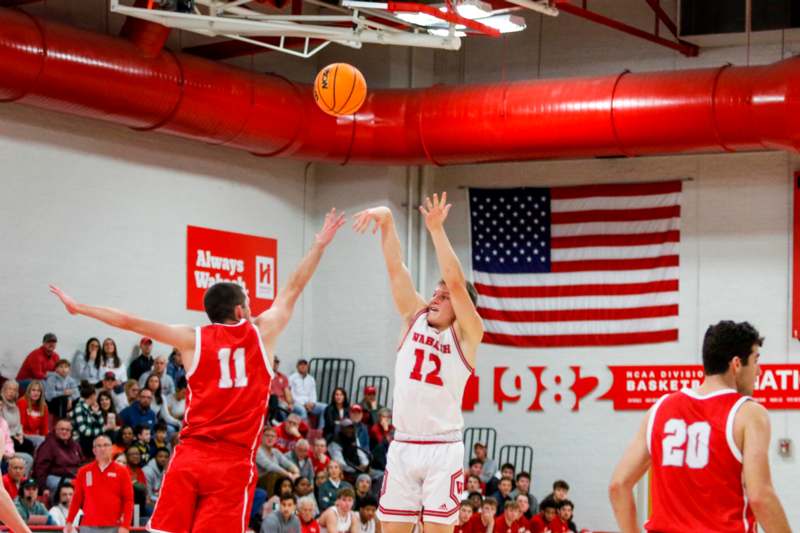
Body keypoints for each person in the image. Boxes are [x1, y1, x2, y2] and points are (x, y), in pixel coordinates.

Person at [50, 208, 344, 533]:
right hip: (232, 462)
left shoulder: (192, 339)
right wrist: (319, 245)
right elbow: (293, 288)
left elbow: (130, 321)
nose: (251, 306)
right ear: (238, 310)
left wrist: (80, 308)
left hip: (190, 457)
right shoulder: (261, 332)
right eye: (247, 301)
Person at [354, 193, 484, 532]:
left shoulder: (469, 334)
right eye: (435, 293)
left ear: (461, 308)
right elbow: (397, 268)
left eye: (444, 297)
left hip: (443, 449)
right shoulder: (414, 316)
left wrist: (437, 231)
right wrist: (386, 221)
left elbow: (456, 282)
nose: (436, 298)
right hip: (404, 444)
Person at [609, 320, 791, 533]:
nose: (759, 371)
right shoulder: (749, 413)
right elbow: (760, 496)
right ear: (736, 364)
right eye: (755, 360)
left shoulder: (659, 409)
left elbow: (618, 486)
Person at [66, 434, 134, 533]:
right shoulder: (83, 471)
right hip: (88, 526)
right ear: (94, 450)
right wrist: (69, 521)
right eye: (99, 446)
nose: (103, 449)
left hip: (114, 526)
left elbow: (128, 500)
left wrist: (126, 526)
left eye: (106, 445)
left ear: (111, 449)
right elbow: (77, 499)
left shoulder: (122, 471)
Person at [32, 419, 83, 494]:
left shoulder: (75, 445)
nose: (64, 432)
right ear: (55, 430)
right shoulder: (48, 445)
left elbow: (81, 463)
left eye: (67, 430)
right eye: (62, 429)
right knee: (73, 486)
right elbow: (40, 468)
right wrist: (43, 487)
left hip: (74, 476)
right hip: (54, 476)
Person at [0, 381, 35, 457]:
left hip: (16, 436)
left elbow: (18, 425)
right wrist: (13, 436)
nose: (12, 392)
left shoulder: (15, 407)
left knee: (29, 444)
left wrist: (20, 435)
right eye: (9, 389)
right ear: (4, 390)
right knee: (23, 445)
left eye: (14, 390)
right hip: (5, 438)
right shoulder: (1, 405)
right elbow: (2, 427)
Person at [289, 359, 326, 428]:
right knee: (302, 410)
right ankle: (305, 432)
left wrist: (312, 403)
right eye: (301, 364)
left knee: (325, 407)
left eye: (305, 364)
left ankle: (320, 430)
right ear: (297, 367)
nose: (303, 366)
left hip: (309, 404)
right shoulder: (291, 378)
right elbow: (291, 394)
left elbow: (313, 393)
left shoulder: (311, 379)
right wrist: (303, 404)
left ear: (308, 366)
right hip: (297, 403)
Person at [72, 382, 105, 457]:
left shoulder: (90, 407)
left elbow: (101, 425)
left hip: (89, 440)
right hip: (80, 440)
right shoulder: (79, 408)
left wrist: (98, 413)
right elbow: (84, 431)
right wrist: (102, 430)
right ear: (92, 395)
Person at [17, 380, 48, 446]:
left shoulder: (44, 406)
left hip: (36, 435)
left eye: (38, 391)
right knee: (41, 441)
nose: (36, 393)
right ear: (29, 391)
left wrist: (46, 438)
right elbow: (21, 423)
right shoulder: (22, 402)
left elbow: (44, 427)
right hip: (23, 434)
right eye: (33, 390)